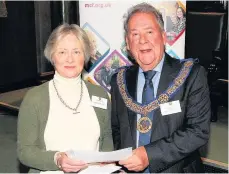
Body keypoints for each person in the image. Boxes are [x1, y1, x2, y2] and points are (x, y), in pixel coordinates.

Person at [110, 2, 211, 173]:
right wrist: (121, 164)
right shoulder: (119, 81)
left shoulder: (191, 75)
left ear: (163, 37)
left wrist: (149, 155)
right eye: (135, 34)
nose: (143, 40)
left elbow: (198, 132)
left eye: (149, 32)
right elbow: (117, 130)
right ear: (127, 43)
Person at [17, 24, 113, 173]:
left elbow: (106, 138)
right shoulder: (35, 98)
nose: (70, 59)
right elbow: (25, 151)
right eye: (62, 52)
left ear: (85, 56)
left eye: (76, 52)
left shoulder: (99, 94)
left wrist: (107, 163)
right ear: (52, 56)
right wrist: (57, 159)